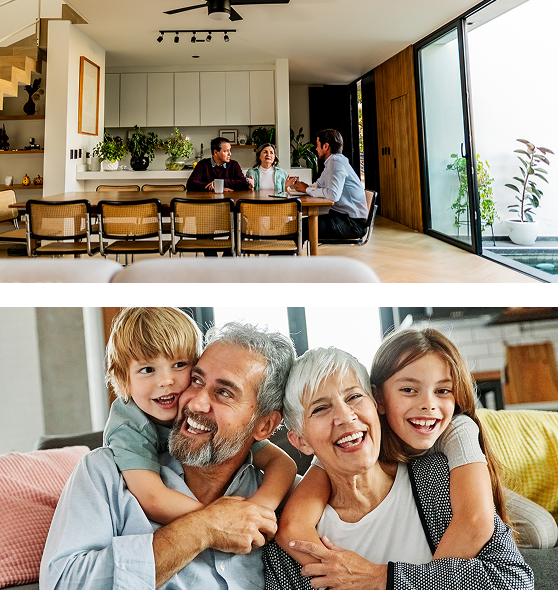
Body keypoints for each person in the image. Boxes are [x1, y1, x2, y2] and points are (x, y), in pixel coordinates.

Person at [40, 321, 297, 590]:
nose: (196, 402)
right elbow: (62, 584)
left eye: (223, 393)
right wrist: (204, 527)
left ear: (264, 426)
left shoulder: (290, 499)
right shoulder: (104, 474)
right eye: (196, 380)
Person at [264, 346, 533, 590]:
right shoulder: (288, 546)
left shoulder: (439, 481)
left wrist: (383, 578)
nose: (346, 417)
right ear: (300, 441)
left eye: (355, 397)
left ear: (376, 404)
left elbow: (514, 579)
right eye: (321, 408)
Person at [103, 307, 298, 525]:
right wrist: (224, 521)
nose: (166, 381)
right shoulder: (128, 427)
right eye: (148, 370)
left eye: (179, 365)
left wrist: (257, 509)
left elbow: (282, 463)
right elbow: (153, 498)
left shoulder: (230, 432)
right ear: (123, 381)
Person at [292, 128, 369, 244]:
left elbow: (333, 195)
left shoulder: (336, 162)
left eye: (318, 145)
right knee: (298, 225)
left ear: (326, 146)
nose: (316, 149)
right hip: (341, 216)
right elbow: (318, 184)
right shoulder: (332, 162)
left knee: (300, 227)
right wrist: (306, 187)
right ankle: (284, 260)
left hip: (353, 223)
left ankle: (279, 261)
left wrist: (307, 189)